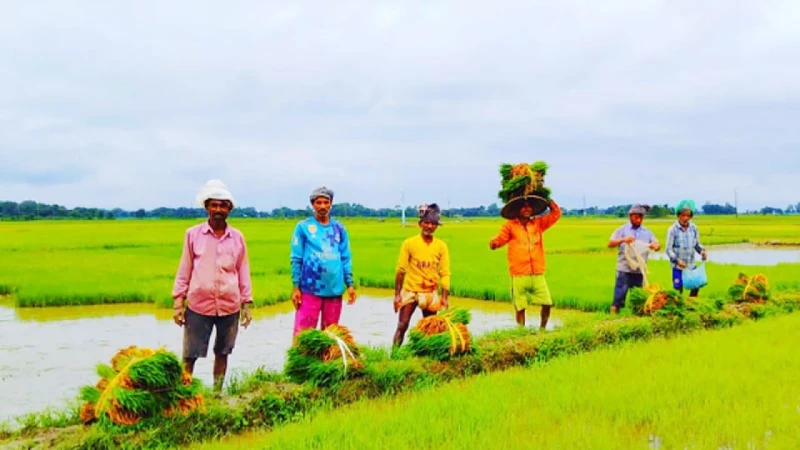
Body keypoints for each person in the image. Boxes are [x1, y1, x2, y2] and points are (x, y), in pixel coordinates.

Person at [172, 179, 253, 391]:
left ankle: (217, 394)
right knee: (190, 354)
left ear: (229, 209)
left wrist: (247, 303)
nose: (218, 209)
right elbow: (185, 269)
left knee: (223, 352)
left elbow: (243, 270)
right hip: (199, 305)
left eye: (223, 205)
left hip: (229, 305)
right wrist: (178, 303)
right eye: (214, 205)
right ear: (207, 207)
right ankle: (186, 395)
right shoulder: (193, 235)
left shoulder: (237, 238)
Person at [290, 186, 356, 337]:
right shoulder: (303, 227)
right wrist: (295, 287)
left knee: (330, 334)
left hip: (334, 288)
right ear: (312, 204)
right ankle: (301, 361)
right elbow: (296, 258)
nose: (322, 206)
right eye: (318, 202)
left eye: (326, 202)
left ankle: (325, 361)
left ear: (331, 204)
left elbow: (345, 257)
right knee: (304, 333)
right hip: (309, 288)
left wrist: (350, 284)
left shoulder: (339, 228)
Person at [489, 197, 562, 329]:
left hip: (537, 272)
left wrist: (546, 197)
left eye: (529, 206)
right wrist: (494, 243)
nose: (527, 209)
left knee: (547, 303)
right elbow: (500, 239)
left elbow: (556, 213)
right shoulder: (509, 226)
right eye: (523, 206)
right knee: (520, 306)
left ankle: (542, 329)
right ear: (517, 209)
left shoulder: (538, 223)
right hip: (519, 273)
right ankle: (522, 332)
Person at [392, 204, 451, 347]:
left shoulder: (441, 246)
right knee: (402, 324)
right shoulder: (409, 243)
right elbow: (401, 270)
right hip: (411, 290)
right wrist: (397, 295)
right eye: (426, 222)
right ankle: (394, 355)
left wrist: (444, 297)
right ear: (420, 224)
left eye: (433, 223)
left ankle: (427, 354)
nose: (429, 226)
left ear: (437, 226)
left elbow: (445, 272)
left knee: (431, 327)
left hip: (430, 292)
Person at [608, 204, 661, 314]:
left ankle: (636, 316)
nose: (639, 219)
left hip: (639, 270)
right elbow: (610, 243)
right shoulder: (622, 230)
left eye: (641, 217)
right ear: (630, 216)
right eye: (636, 217)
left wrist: (655, 246)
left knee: (638, 296)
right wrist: (623, 240)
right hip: (624, 268)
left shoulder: (647, 232)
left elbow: (656, 244)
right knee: (619, 296)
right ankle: (613, 315)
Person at [665, 200, 707, 297]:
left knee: (696, 285)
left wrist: (702, 251)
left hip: (690, 264)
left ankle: (691, 303)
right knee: (678, 289)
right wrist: (677, 260)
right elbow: (668, 249)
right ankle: (678, 306)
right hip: (678, 266)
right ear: (678, 215)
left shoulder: (694, 228)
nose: (685, 218)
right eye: (683, 215)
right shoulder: (673, 230)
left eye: (688, 216)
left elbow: (696, 244)